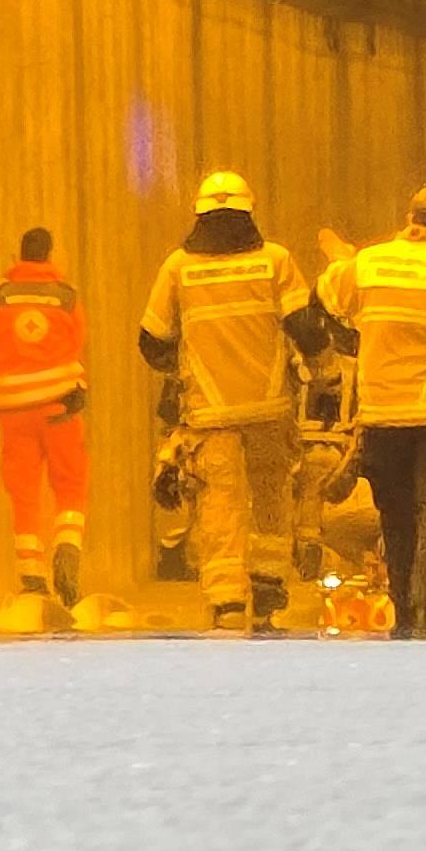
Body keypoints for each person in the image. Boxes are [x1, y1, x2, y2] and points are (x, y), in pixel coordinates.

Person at [134, 171, 322, 633]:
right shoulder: (275, 261)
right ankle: (268, 584)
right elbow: (306, 329)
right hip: (269, 406)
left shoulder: (178, 267)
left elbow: (151, 341)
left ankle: (225, 601)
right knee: (270, 497)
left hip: (210, 411)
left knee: (220, 503)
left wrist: (186, 364)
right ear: (248, 213)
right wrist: (324, 377)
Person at [318, 179, 426, 638]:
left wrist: (353, 345)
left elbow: (326, 301)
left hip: (380, 415)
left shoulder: (369, 262)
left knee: (394, 516)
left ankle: (401, 617)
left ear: (410, 216)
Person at [0, 226, 88, 616]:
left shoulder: (0, 298)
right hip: (58, 407)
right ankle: (67, 548)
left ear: (18, 256)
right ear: (49, 255)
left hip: (15, 411)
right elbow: (74, 345)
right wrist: (76, 384)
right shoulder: (67, 296)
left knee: (23, 492)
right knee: (70, 484)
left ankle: (31, 576)